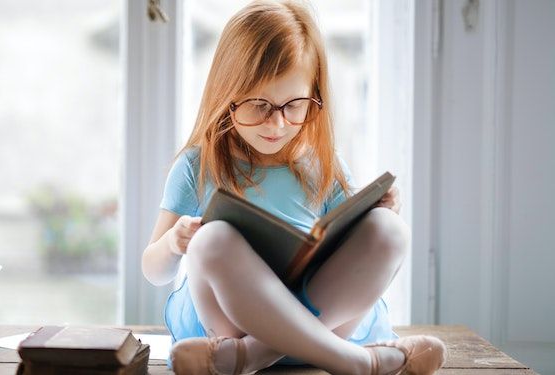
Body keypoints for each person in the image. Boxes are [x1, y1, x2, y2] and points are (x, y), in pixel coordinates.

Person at [141, 1, 446, 374]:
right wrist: (174, 243)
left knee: (390, 230)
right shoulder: (198, 164)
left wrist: (380, 211)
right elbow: (154, 271)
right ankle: (360, 363)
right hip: (232, 325)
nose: (278, 124)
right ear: (227, 95)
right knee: (211, 240)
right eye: (258, 106)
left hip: (312, 322)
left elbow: (354, 250)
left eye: (294, 105)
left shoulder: (323, 164)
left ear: (314, 97)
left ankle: (253, 356)